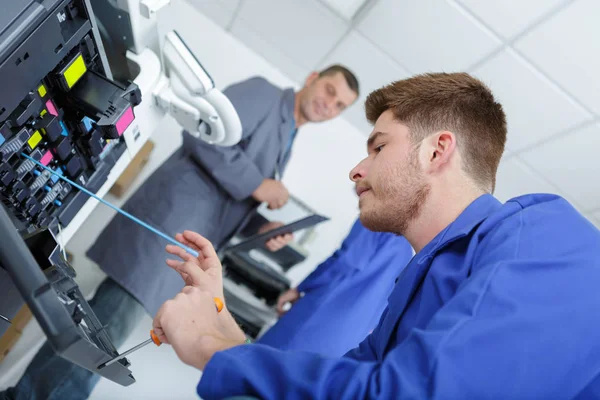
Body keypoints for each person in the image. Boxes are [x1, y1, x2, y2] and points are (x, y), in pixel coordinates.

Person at [152, 72, 600, 399]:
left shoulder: (543, 235)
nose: (356, 169)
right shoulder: (421, 282)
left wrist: (209, 347)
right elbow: (340, 383)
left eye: (379, 147)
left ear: (436, 150)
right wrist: (219, 322)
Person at [0, 65, 359, 400]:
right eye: (329, 91)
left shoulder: (288, 138)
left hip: (187, 239)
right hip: (170, 226)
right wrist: (259, 184)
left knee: (99, 326)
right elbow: (204, 135)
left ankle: (22, 395)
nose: (329, 105)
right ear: (312, 77)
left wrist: (263, 228)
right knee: (109, 333)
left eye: (340, 105)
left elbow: (234, 197)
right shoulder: (265, 95)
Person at [258, 218, 413, 357]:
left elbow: (345, 263)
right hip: (346, 341)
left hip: (315, 327)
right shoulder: (406, 249)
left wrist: (300, 288)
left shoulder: (376, 220)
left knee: (257, 367)